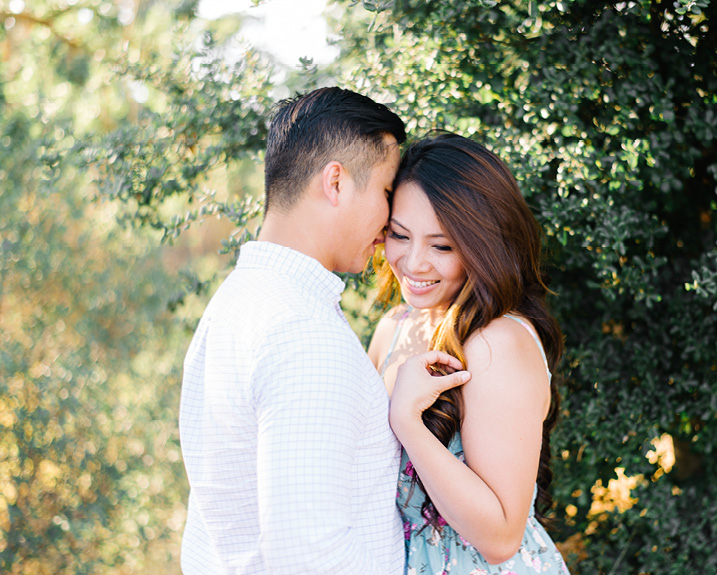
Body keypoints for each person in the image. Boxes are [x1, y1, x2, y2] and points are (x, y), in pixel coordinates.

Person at [179, 88, 467, 575]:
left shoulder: (234, 303)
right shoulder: (302, 333)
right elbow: (310, 555)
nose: (389, 223)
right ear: (335, 181)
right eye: (384, 193)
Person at [368, 133, 571, 574]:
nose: (413, 262)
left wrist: (407, 421)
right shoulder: (392, 329)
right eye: (400, 235)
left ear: (483, 246)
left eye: (442, 246)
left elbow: (501, 537)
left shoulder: (496, 342)